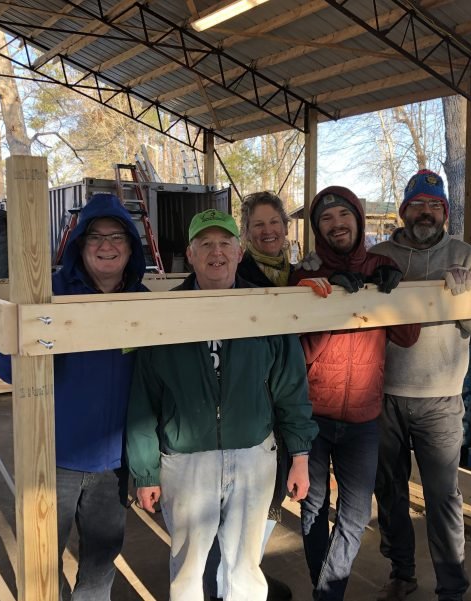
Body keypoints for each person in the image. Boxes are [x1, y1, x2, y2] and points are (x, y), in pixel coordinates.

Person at [126, 208, 319, 601]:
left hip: (253, 454)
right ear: (191, 254)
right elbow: (144, 398)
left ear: (239, 250)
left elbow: (290, 387)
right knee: (187, 571)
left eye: (225, 243)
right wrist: (146, 471)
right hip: (186, 460)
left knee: (244, 568)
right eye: (206, 244)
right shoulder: (164, 314)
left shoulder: (265, 306)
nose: (217, 252)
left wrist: (299, 455)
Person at [0, 193, 148, 600]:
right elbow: (8, 369)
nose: (106, 245)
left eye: (117, 236)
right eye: (95, 236)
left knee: (101, 559)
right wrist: (44, 334)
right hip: (52, 458)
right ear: (80, 244)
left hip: (115, 463)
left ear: (131, 247)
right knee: (43, 562)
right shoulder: (46, 293)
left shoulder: (146, 301)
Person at [289, 186, 421, 601]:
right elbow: (302, 354)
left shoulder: (383, 265)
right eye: (325, 219)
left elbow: (407, 334)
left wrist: (392, 293)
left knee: (357, 512)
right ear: (316, 229)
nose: (336, 224)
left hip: (364, 417)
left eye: (343, 216)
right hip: (313, 414)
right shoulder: (304, 276)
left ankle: (327, 592)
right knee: (312, 507)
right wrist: (332, 305)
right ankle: (325, 591)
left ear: (358, 220)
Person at [369, 169, 471, 601]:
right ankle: (401, 573)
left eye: (434, 206)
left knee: (443, 498)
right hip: (383, 398)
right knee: (389, 492)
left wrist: (463, 296)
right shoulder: (380, 254)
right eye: (417, 205)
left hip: (441, 401)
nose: (425, 213)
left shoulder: (465, 255)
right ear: (404, 211)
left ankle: (451, 589)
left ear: (444, 212)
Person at [203, 192, 296, 601]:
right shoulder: (236, 279)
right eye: (257, 225)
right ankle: (228, 586)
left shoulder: (299, 275)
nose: (267, 231)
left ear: (286, 228)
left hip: (285, 404)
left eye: (273, 222)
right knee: (228, 514)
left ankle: (245, 577)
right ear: (246, 237)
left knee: (266, 506)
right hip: (245, 413)